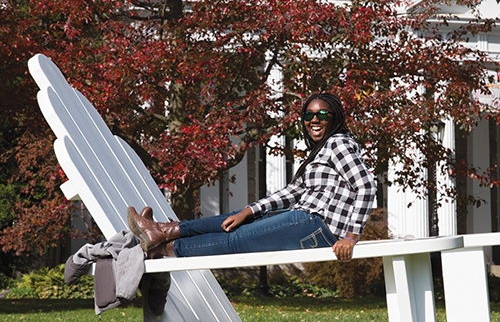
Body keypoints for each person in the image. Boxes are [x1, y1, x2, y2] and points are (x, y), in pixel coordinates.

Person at [127, 92, 377, 262]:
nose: (314, 120)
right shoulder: (321, 151)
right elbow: (293, 192)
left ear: (335, 118)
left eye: (322, 115)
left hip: (315, 225)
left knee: (236, 240)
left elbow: (366, 186)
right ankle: (162, 230)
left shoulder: (338, 143)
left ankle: (164, 249)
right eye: (308, 115)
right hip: (305, 219)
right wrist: (249, 210)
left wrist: (351, 236)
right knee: (235, 221)